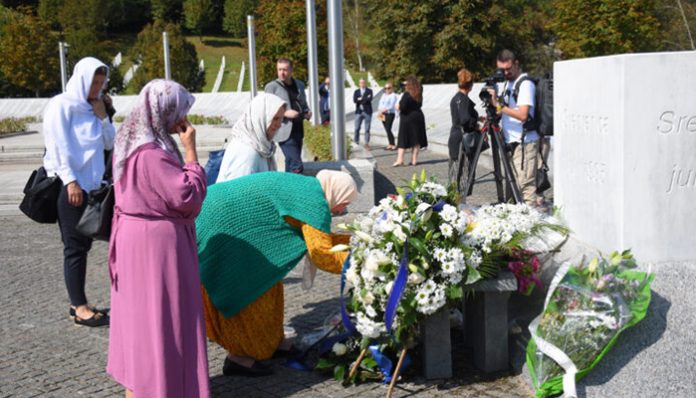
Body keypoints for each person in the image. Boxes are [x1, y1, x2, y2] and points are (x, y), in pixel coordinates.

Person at [196, 170, 358, 377]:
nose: (343, 209)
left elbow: (321, 239)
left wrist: (357, 242)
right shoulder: (314, 201)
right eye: (345, 202)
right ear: (337, 192)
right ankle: (239, 358)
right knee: (247, 291)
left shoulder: (309, 188)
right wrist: (360, 262)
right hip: (221, 227)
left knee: (267, 282)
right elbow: (322, 254)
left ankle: (272, 344)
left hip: (219, 215)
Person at [107, 79, 210, 398]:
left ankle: (138, 383)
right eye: (178, 110)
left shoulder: (129, 138)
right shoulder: (151, 152)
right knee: (163, 317)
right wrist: (192, 152)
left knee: (139, 316)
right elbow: (187, 197)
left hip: (132, 238)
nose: (182, 118)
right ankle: (161, 386)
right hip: (157, 246)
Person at [42, 57, 115, 327]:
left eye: (101, 82)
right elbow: (57, 145)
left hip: (95, 189)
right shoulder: (61, 105)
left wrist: (103, 117)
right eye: (93, 81)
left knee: (85, 245)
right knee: (74, 248)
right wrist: (71, 181)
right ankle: (79, 306)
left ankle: (80, 301)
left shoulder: (93, 108)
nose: (97, 87)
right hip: (70, 186)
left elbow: (110, 142)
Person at [487, 49, 540, 206]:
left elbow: (523, 115)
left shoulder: (525, 85)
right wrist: (495, 111)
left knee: (525, 185)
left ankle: (531, 223)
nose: (505, 72)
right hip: (511, 141)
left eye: (508, 69)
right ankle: (516, 217)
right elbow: (506, 111)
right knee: (513, 184)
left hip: (525, 142)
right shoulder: (508, 84)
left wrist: (498, 105)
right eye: (501, 69)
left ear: (516, 64)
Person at [216, 93, 289, 183]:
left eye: (281, 119)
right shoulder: (247, 153)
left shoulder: (260, 146)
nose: (279, 125)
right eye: (275, 118)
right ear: (260, 117)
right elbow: (239, 194)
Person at [264, 58, 312, 174]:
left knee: (290, 162)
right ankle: (298, 190)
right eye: (279, 69)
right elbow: (266, 109)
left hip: (298, 129)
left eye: (285, 69)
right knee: (297, 165)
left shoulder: (299, 84)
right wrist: (285, 113)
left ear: (291, 70)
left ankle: (286, 190)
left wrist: (307, 112)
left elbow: (303, 103)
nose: (282, 72)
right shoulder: (271, 87)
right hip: (283, 131)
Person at [448, 68, 480, 196]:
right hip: (463, 140)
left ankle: (456, 203)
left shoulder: (456, 98)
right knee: (463, 174)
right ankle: (461, 205)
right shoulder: (464, 99)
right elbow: (465, 119)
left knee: (455, 172)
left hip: (455, 137)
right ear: (471, 84)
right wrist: (476, 124)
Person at [393, 76, 427, 167]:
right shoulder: (418, 94)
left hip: (407, 118)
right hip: (418, 116)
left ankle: (400, 160)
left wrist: (397, 107)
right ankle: (414, 160)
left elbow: (402, 107)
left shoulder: (407, 94)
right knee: (416, 139)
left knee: (403, 139)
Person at [353, 79, 373, 149]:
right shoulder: (356, 91)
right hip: (358, 112)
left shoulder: (369, 91)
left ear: (365, 83)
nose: (362, 84)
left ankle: (366, 143)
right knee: (356, 128)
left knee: (367, 129)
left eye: (363, 82)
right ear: (359, 84)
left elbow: (370, 99)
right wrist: (365, 98)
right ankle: (356, 142)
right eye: (361, 83)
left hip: (367, 111)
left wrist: (360, 99)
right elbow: (355, 100)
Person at [378, 82, 398, 150]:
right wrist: (380, 110)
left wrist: (384, 110)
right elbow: (380, 103)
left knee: (388, 128)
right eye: (385, 88)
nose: (387, 90)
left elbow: (391, 105)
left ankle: (393, 144)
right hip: (382, 114)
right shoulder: (383, 95)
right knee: (386, 129)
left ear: (391, 88)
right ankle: (390, 143)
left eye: (388, 88)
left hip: (389, 113)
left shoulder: (393, 95)